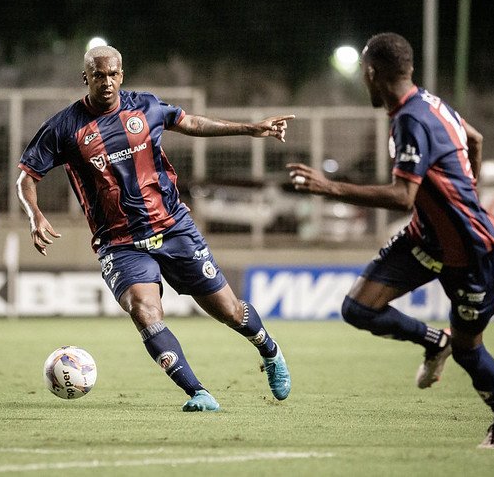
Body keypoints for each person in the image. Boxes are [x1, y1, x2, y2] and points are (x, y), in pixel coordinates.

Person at [17, 45, 293, 411]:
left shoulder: (144, 106)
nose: (106, 82)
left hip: (173, 227)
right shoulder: (64, 127)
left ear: (122, 75)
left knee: (229, 311)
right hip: (119, 243)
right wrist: (35, 214)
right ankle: (198, 392)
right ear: (86, 78)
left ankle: (269, 350)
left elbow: (190, 122)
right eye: (98, 75)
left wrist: (249, 128)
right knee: (144, 310)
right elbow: (27, 177)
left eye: (112, 74)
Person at [287, 33, 494, 448]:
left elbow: (402, 197)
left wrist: (331, 188)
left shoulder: (411, 120)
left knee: (469, 350)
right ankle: (434, 340)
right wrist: (467, 186)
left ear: (371, 73)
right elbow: (475, 139)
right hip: (426, 238)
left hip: (471, 251)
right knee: (358, 308)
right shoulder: (430, 103)